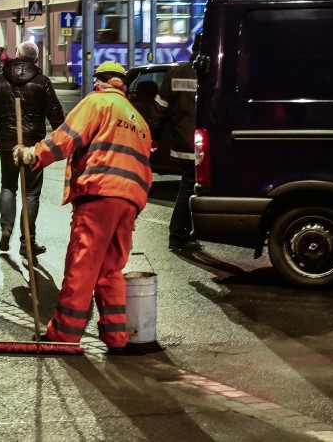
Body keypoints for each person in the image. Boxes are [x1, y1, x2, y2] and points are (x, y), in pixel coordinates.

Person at [13, 61, 152, 351]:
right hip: (130, 201)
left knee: (82, 265)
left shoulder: (97, 103)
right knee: (110, 271)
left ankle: (64, 334)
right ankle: (116, 337)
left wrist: (30, 155)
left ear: (98, 82)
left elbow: (65, 139)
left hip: (100, 194)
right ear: (123, 85)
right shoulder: (138, 119)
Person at [0, 41, 64, 256]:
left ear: (16, 55)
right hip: (34, 146)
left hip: (8, 144)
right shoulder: (42, 82)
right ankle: (28, 241)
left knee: (8, 187)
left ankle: (6, 228)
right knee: (32, 193)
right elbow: (55, 112)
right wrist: (60, 138)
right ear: (36, 59)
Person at [149, 48, 200, 252]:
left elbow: (159, 108)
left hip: (182, 142)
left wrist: (155, 136)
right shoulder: (212, 71)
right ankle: (178, 235)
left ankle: (181, 234)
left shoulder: (176, 73)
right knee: (191, 188)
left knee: (187, 188)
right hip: (203, 145)